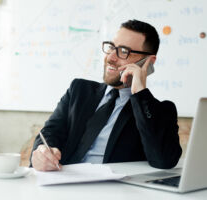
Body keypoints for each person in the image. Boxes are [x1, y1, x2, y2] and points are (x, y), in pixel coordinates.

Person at [30, 19, 182, 171]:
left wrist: (140, 94)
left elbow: (164, 161)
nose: (110, 57)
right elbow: (50, 133)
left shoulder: (159, 111)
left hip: (114, 192)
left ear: (148, 62)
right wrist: (42, 152)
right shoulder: (79, 90)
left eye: (123, 51)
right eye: (111, 47)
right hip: (64, 183)